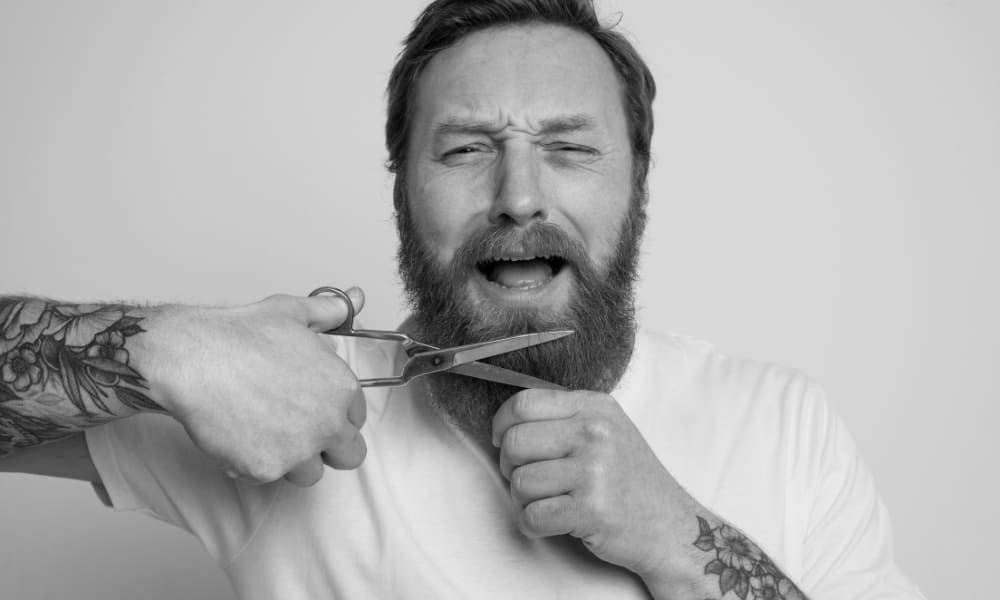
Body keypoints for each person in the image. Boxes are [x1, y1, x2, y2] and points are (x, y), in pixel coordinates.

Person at [0, 1, 925, 598]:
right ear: (402, 188)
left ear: (637, 184)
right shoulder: (277, 400)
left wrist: (681, 540)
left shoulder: (785, 424)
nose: (520, 195)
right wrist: (155, 353)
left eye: (569, 147)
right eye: (465, 148)